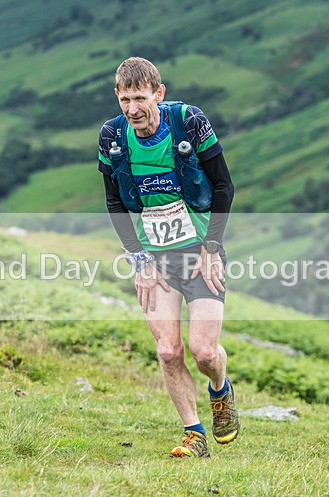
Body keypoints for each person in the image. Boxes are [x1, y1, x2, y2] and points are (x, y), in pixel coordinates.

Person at [97, 57, 238, 458]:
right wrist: (139, 260)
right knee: (167, 350)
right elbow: (114, 202)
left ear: (158, 93)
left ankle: (220, 390)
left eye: (140, 98)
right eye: (125, 100)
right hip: (154, 259)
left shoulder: (189, 122)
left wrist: (212, 248)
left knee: (205, 352)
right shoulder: (112, 136)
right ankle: (194, 434)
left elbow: (224, 187)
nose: (132, 109)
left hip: (200, 253)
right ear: (117, 96)